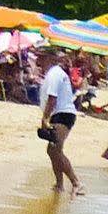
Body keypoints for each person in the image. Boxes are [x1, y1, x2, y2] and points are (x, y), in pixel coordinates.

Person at [36, 49, 83, 195]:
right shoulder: (54, 73)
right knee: (53, 151)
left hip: (63, 114)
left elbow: (52, 98)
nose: (38, 59)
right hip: (60, 114)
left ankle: (76, 183)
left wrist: (44, 118)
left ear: (50, 59)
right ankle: (59, 184)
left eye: (42, 57)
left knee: (54, 150)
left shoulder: (55, 73)